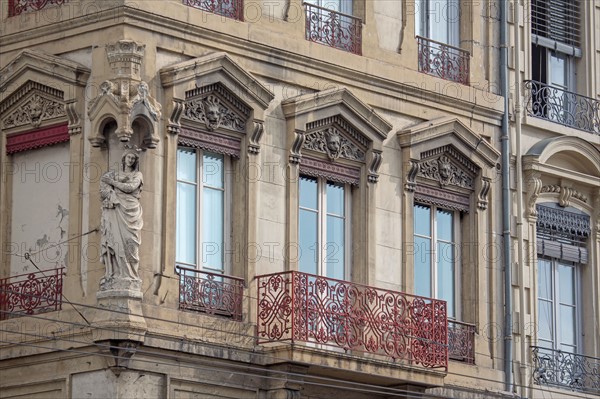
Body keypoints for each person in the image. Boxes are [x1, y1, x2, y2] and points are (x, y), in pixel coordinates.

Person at [99, 150, 143, 287]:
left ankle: (131, 275)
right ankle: (117, 274)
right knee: (115, 240)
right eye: (129, 157)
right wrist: (110, 193)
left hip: (131, 210)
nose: (130, 160)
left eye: (133, 158)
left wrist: (113, 182)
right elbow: (103, 186)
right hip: (117, 208)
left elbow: (130, 188)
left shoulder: (138, 175)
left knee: (131, 242)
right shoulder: (115, 174)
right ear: (124, 159)